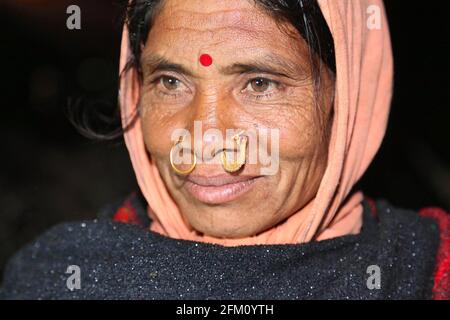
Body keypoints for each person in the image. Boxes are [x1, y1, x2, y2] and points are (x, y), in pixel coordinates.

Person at [1, 0, 448, 299]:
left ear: (349, 95)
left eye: (260, 83)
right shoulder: (59, 276)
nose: (206, 136)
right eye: (171, 82)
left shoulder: (429, 271)